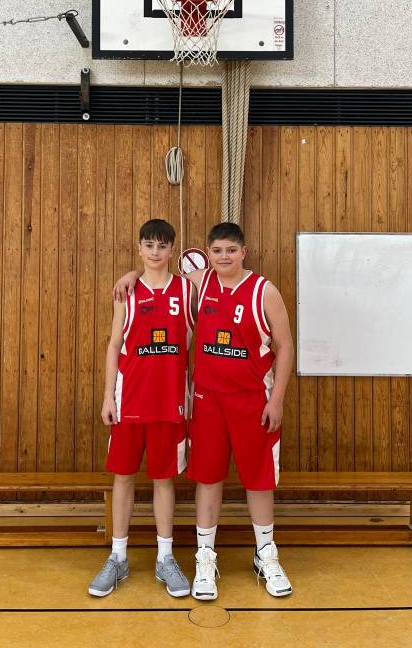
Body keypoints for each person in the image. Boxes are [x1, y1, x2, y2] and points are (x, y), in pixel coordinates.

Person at [114, 222, 295, 600]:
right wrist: (130, 274)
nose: (224, 257)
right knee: (207, 478)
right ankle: (205, 558)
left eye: (232, 250)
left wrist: (276, 398)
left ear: (244, 252)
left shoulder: (265, 291)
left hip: (253, 400)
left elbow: (286, 345)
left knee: (258, 479)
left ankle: (266, 553)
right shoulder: (200, 283)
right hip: (207, 400)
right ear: (208, 254)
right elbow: (158, 272)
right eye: (217, 251)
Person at [89, 219, 196, 598]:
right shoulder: (126, 294)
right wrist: (107, 396)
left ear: (172, 250)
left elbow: (214, 274)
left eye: (162, 246)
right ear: (140, 248)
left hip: (169, 405)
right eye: (148, 245)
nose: (154, 252)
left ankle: (165, 557)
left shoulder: (186, 290)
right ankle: (118, 556)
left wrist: (133, 272)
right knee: (123, 478)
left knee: (164, 480)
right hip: (129, 401)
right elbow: (114, 346)